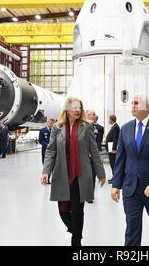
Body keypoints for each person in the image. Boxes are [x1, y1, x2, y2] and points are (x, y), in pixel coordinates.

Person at [41, 97, 106, 246]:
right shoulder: (57, 127)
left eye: (79, 107)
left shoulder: (86, 126)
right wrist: (46, 171)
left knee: (77, 211)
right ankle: (75, 230)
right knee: (63, 211)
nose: (78, 110)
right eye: (74, 107)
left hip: (81, 175)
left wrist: (101, 173)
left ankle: (76, 242)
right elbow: (51, 151)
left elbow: (94, 151)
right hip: (62, 174)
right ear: (67, 109)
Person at [111, 94, 149, 246]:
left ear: (147, 107)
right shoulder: (125, 129)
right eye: (132, 103)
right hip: (131, 188)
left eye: (136, 103)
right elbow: (120, 159)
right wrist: (116, 185)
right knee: (132, 228)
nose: (133, 106)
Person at [105, 114, 120, 184]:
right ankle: (114, 177)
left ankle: (115, 178)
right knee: (112, 164)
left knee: (113, 164)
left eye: (109, 119)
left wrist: (114, 149)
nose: (108, 120)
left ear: (111, 119)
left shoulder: (115, 127)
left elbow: (115, 138)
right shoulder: (113, 127)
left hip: (112, 150)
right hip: (110, 149)